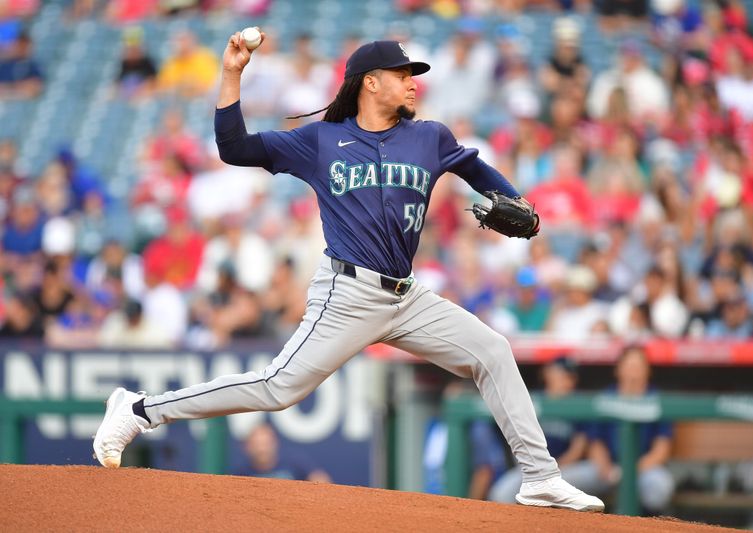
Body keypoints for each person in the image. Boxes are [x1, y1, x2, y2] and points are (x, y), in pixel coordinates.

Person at [92, 33, 603, 512]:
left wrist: (515, 200)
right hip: (348, 292)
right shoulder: (321, 140)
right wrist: (231, 75)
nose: (413, 81)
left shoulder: (429, 136)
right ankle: (140, 410)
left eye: (414, 73)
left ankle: (539, 477)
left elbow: (475, 169)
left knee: (493, 350)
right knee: (278, 387)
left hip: (407, 298)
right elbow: (234, 148)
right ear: (370, 82)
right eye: (402, 73)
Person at [565, 345, 675, 514]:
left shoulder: (657, 400)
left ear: (647, 371)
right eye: (629, 366)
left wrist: (629, 472)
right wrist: (607, 468)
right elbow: (595, 443)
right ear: (619, 370)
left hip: (643, 469)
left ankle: (642, 527)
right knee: (564, 481)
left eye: (638, 367)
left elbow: (661, 450)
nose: (633, 372)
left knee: (658, 488)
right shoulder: (606, 397)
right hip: (606, 468)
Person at [489, 356, 589, 503]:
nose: (566, 381)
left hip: (566, 469)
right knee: (501, 493)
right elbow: (516, 436)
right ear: (548, 373)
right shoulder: (531, 400)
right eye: (561, 374)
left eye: (570, 377)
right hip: (532, 470)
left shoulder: (578, 404)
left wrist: (552, 472)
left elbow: (579, 448)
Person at [235, 422, 331, 482]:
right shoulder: (241, 474)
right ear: (246, 447)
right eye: (256, 444)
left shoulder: (294, 462)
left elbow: (321, 480)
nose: (262, 449)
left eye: (266, 443)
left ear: (275, 443)